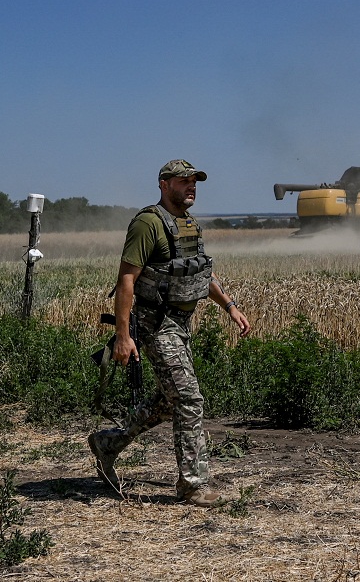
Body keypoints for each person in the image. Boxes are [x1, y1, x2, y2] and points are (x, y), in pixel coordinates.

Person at [88, 159, 251, 507]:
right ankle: (194, 485)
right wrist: (122, 336)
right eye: (183, 181)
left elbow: (200, 273)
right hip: (155, 325)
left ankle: (107, 444)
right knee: (189, 399)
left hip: (181, 325)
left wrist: (230, 305)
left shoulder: (188, 224)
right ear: (164, 184)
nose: (191, 186)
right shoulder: (148, 223)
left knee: (168, 401)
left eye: (194, 181)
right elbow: (126, 280)